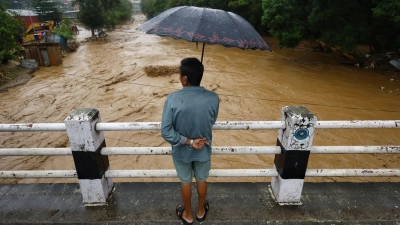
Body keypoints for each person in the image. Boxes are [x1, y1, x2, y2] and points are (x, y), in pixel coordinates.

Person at [161, 57, 219, 225]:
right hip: (204, 149)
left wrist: (188, 141)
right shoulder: (213, 98)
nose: (179, 78)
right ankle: (201, 211)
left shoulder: (172, 98)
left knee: (186, 182)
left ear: (185, 79)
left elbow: (166, 131)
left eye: (180, 75)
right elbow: (211, 120)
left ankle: (188, 214)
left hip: (181, 151)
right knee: (202, 180)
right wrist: (196, 140)